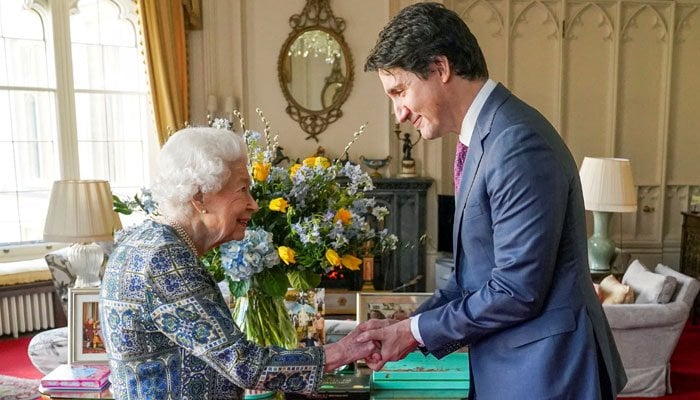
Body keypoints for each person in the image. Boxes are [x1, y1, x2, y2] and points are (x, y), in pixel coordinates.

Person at [356, 3, 627, 399]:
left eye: (399, 91)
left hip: (550, 374)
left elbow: (516, 290)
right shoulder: (484, 137)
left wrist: (412, 333)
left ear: (440, 68)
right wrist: (408, 324)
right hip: (517, 369)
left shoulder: (517, 142)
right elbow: (472, 279)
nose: (399, 113)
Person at [99, 127, 377, 399]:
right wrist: (343, 351)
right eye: (243, 190)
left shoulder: (146, 241)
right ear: (199, 197)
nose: (254, 204)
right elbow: (242, 363)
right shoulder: (165, 259)